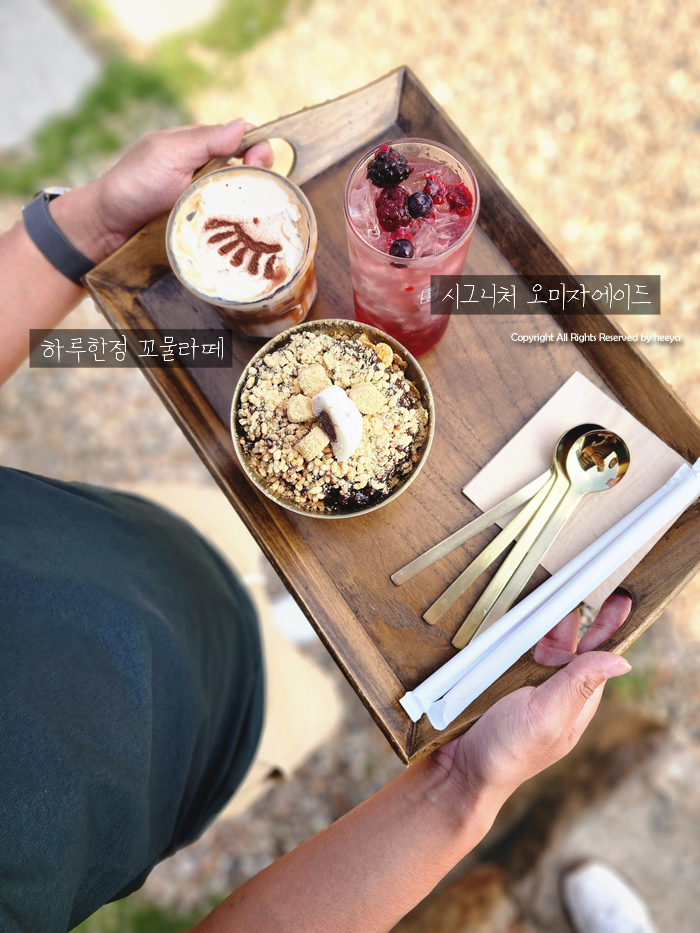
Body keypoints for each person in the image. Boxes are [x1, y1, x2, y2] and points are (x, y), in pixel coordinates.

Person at [0, 118, 634, 933]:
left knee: (225, 547)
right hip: (205, 728)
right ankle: (286, 632)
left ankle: (273, 607)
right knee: (296, 693)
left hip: (129, 536)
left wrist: (93, 221)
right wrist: (459, 786)